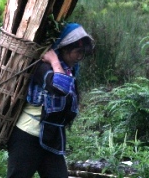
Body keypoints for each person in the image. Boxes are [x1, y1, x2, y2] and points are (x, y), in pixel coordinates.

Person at [7, 23, 94, 178]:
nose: (79, 57)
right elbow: (59, 88)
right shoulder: (43, 67)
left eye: (82, 53)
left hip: (50, 137)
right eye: (77, 52)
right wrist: (53, 60)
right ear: (64, 48)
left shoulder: (69, 70)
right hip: (27, 137)